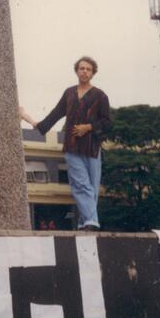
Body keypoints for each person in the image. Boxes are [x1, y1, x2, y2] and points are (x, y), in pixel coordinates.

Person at [19, 57, 111, 231]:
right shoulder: (69, 93)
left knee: (92, 187)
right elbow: (52, 117)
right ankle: (92, 221)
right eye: (81, 68)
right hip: (72, 147)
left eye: (88, 69)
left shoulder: (100, 95)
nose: (84, 71)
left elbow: (107, 123)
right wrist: (27, 117)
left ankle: (86, 222)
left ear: (93, 73)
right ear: (76, 71)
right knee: (80, 184)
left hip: (92, 147)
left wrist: (88, 127)